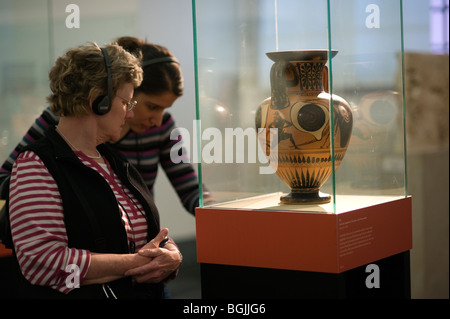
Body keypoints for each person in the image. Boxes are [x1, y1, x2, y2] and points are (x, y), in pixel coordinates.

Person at [7, 42, 182, 298]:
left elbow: (148, 236)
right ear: (97, 100)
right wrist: (135, 264)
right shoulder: (36, 164)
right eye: (126, 102)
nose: (130, 114)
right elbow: (42, 261)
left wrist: (173, 255)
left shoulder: (116, 162)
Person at [0, 36, 211, 215]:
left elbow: (190, 189)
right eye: (152, 107)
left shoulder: (163, 125)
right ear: (126, 92)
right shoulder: (62, 121)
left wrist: (218, 211)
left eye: (164, 110)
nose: (158, 120)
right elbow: (6, 179)